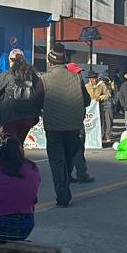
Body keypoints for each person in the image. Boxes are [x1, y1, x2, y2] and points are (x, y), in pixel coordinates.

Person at [41, 44, 90, 205]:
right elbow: (87, 100)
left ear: (50, 62)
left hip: (54, 128)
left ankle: (63, 196)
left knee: (57, 161)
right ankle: (67, 180)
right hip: (74, 127)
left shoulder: (45, 78)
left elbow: (37, 100)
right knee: (68, 158)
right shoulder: (76, 78)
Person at [0, 50, 44, 146]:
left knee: (10, 145)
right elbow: (40, 92)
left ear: (10, 60)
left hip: (10, 116)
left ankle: (13, 159)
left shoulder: (6, 75)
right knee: (19, 143)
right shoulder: (32, 75)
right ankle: (20, 158)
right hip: (28, 116)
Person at [86, 71, 113, 146]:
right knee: (95, 122)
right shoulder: (87, 86)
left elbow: (107, 94)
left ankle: (105, 136)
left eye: (94, 78)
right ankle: (97, 136)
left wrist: (101, 97)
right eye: (91, 78)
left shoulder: (101, 85)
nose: (92, 80)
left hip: (101, 105)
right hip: (91, 108)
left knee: (105, 121)